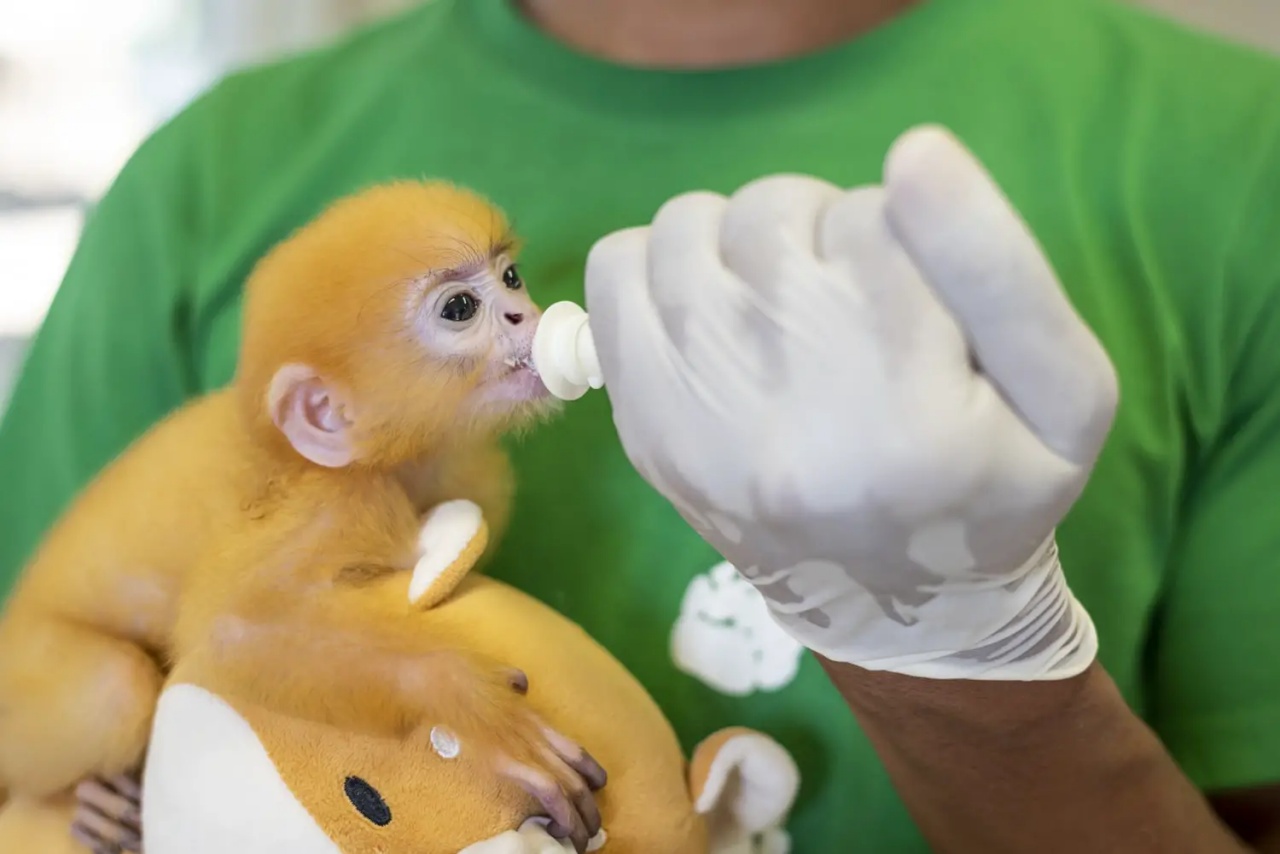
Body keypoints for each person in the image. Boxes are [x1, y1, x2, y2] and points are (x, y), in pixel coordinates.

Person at [1, 0, 1278, 849]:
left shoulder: (1229, 159)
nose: (519, 319)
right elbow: (188, 658)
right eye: (462, 309)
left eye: (509, 279)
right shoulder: (210, 181)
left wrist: (979, 656)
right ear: (323, 412)